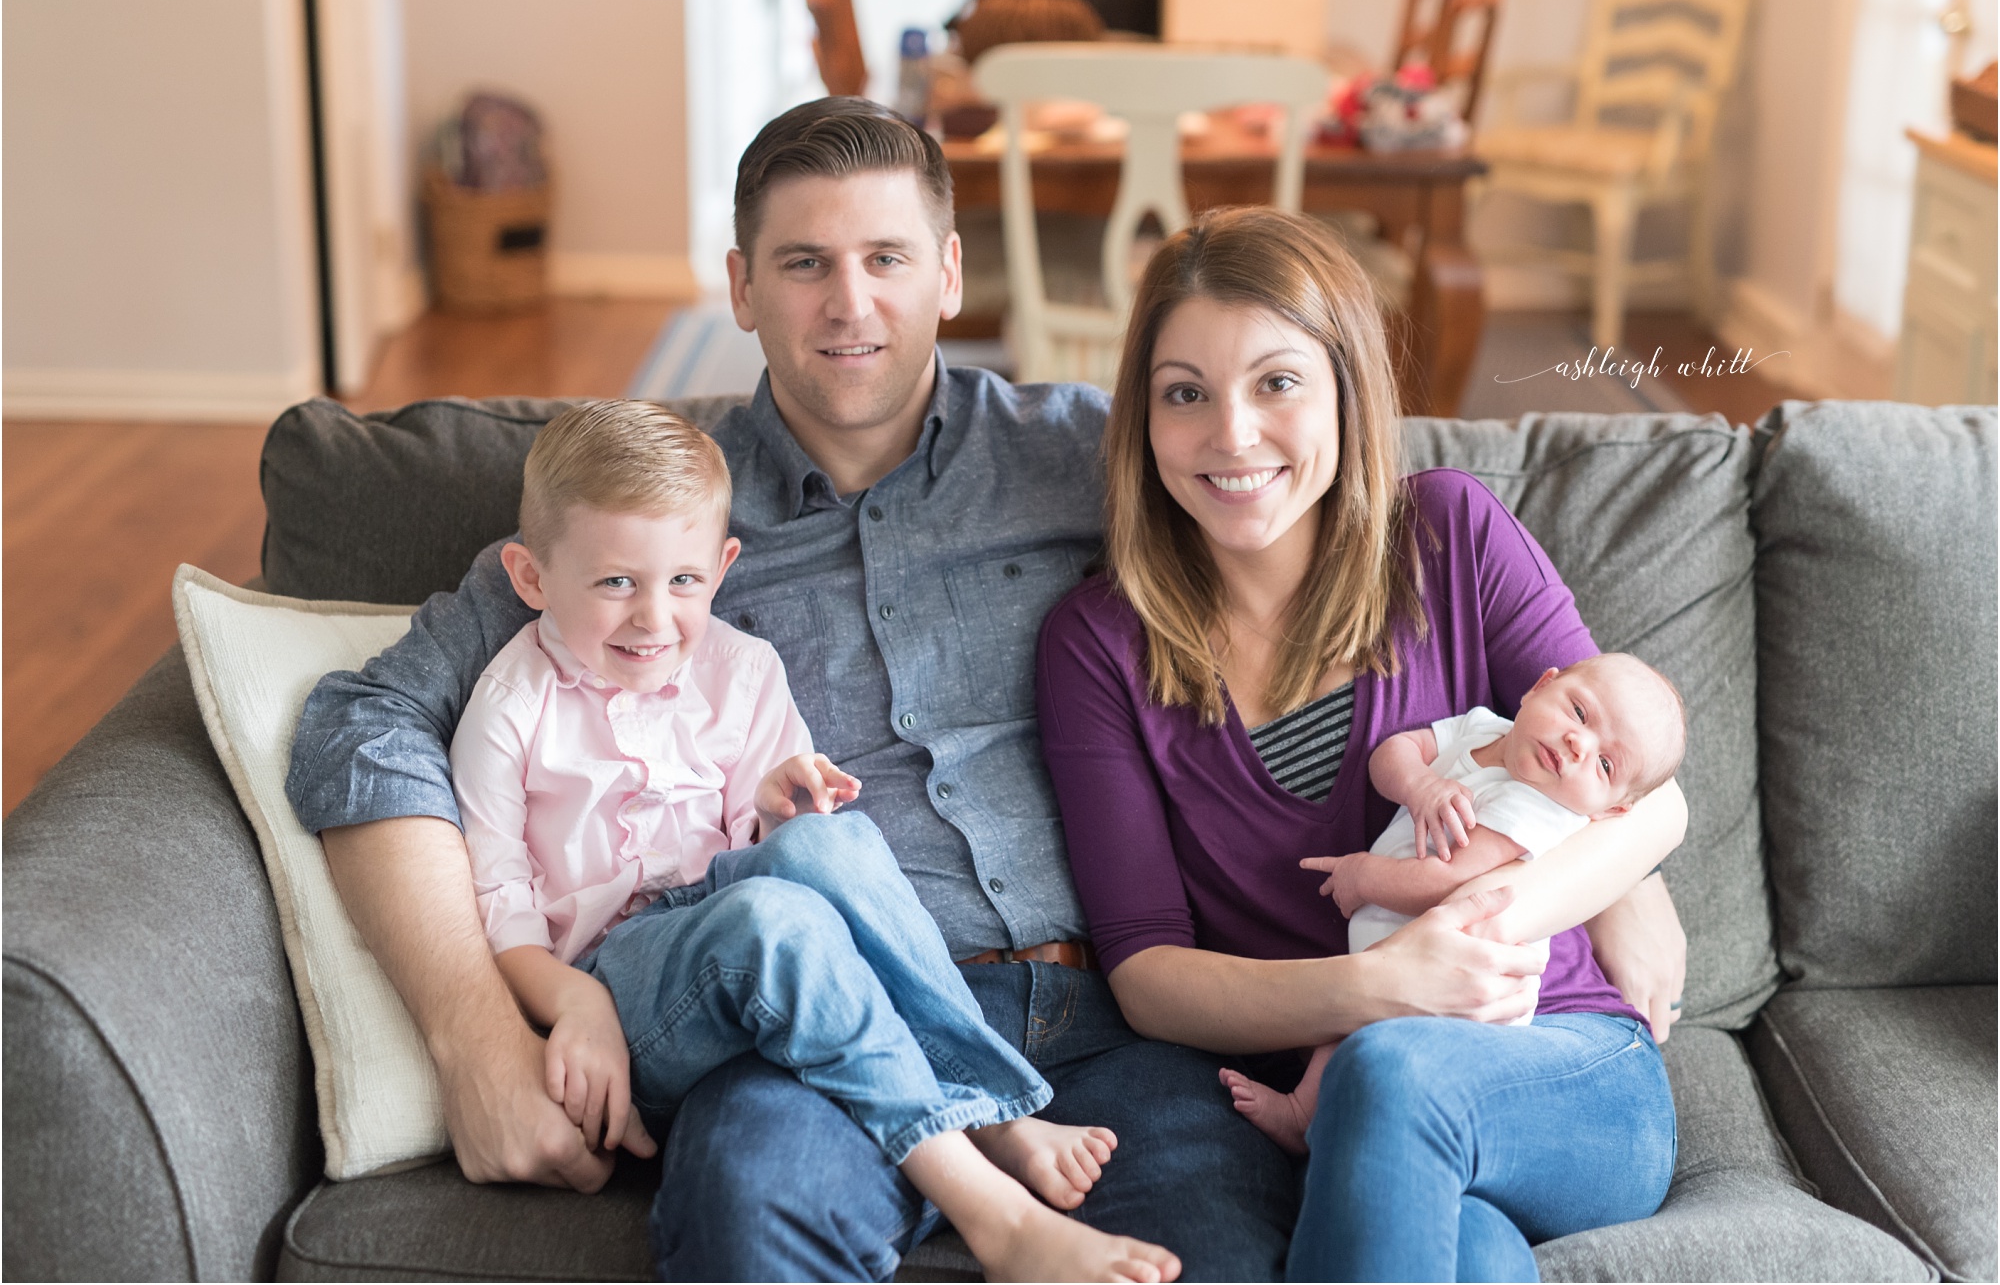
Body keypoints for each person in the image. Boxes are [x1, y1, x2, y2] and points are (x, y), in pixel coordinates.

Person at [286, 97, 1686, 1281]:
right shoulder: (652, 520)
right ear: (738, 284)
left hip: (1110, 1020)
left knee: (1229, 1239)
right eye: (805, 265)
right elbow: (364, 721)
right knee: (743, 1193)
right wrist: (475, 1032)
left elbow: (1355, 523)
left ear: (951, 272)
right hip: (839, 1020)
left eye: (889, 257)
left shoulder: (1115, 452)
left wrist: (1609, 861)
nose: (852, 305)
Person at [1036, 204, 1684, 1281]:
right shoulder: (1098, 644)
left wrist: (1590, 895)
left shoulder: (1449, 533)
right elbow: (1147, 975)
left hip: (1566, 1062)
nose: (1231, 434)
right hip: (1333, 1096)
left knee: (1394, 1078)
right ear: (1141, 423)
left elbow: (1647, 794)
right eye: (1183, 392)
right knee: (1469, 1254)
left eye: (1276, 382)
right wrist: (1388, 983)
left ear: (1345, 389)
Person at [449, 399, 1176, 1282]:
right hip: (620, 991)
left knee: (828, 845)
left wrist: (779, 810)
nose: (652, 619)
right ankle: (997, 1208)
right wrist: (573, 1004)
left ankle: (990, 1103)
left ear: (722, 567)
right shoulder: (509, 707)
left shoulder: (739, 668)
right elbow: (499, 907)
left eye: (682, 582)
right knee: (770, 920)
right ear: (530, 577)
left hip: (744, 930)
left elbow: (766, 851)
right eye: (613, 584)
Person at [1222, 653, 1688, 1153]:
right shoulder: (1482, 727)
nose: (1579, 744)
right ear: (1540, 685)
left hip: (1466, 987)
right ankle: (1308, 1113)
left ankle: (1302, 1115)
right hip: (1400, 960)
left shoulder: (1541, 809)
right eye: (1579, 712)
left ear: (1611, 810)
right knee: (1353, 1016)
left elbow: (1448, 879)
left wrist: (1365, 878)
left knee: (1370, 1038)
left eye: (1604, 764)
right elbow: (1394, 751)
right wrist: (1420, 784)